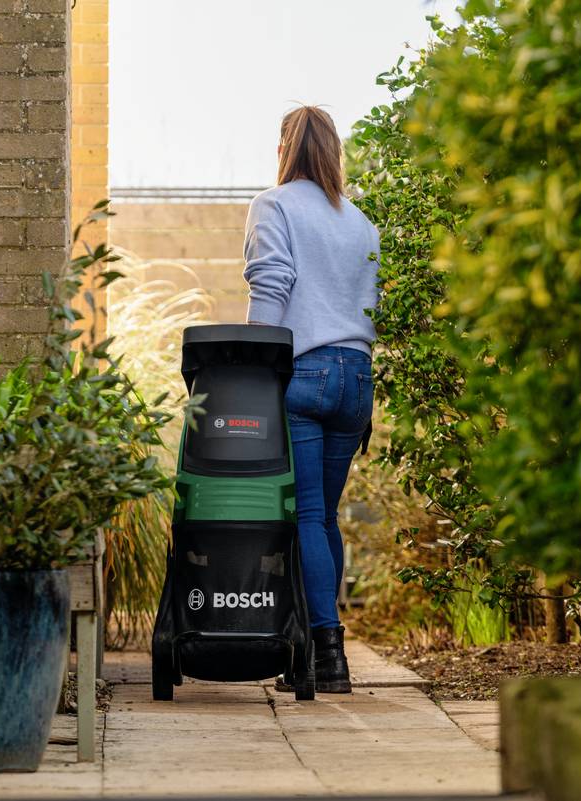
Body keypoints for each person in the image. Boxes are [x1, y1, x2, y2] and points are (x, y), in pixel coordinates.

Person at [243, 105, 380, 693]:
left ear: (284, 147)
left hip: (303, 373)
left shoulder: (272, 206)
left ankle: (323, 656)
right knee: (323, 518)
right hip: (357, 380)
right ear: (334, 150)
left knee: (305, 516)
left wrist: (250, 366)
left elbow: (271, 282)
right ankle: (326, 651)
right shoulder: (361, 222)